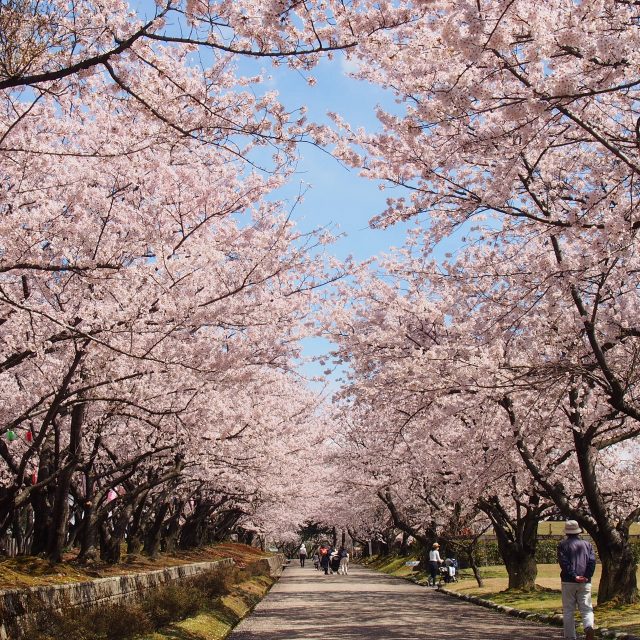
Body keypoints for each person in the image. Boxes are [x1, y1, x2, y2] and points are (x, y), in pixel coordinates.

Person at [557, 520, 596, 640]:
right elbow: (592, 561)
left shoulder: (562, 545)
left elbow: (564, 563)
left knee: (568, 610)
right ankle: (588, 627)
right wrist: (586, 576)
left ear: (567, 532)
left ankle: (570, 636)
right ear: (578, 531)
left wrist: (574, 576)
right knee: (586, 608)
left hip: (568, 581)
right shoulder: (587, 544)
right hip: (585, 581)